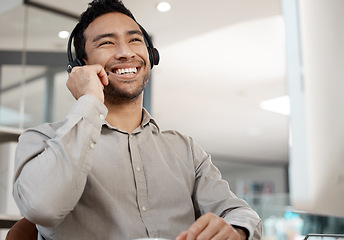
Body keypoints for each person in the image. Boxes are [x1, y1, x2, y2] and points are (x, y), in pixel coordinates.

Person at [12, 0, 262, 239]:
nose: (125, 52)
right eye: (107, 43)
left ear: (151, 55)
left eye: (134, 40)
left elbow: (239, 213)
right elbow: (42, 208)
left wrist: (236, 230)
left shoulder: (185, 150)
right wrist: (89, 100)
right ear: (80, 65)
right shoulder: (43, 141)